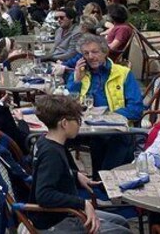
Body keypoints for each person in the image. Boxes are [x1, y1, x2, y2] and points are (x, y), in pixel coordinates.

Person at [30, 95, 132, 233]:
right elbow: (44, 195)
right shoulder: (52, 153)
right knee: (123, 232)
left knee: (121, 221)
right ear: (64, 123)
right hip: (57, 220)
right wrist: (83, 203)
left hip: (63, 213)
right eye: (78, 120)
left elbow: (49, 173)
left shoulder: (44, 141)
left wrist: (75, 175)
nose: (80, 124)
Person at [67, 34, 144, 175]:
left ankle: (104, 180)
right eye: (86, 53)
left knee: (118, 141)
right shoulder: (79, 73)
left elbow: (136, 109)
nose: (90, 57)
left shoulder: (123, 73)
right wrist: (76, 81)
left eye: (95, 52)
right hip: (86, 128)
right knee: (56, 140)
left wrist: (107, 117)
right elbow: (68, 105)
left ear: (104, 52)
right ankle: (77, 178)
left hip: (115, 129)